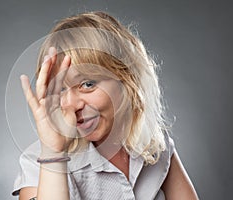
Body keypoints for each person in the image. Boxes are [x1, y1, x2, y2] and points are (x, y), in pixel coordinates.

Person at [12, 11, 198, 200]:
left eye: (87, 84)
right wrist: (54, 154)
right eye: (60, 89)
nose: (70, 104)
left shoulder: (155, 143)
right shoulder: (37, 163)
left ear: (127, 79)